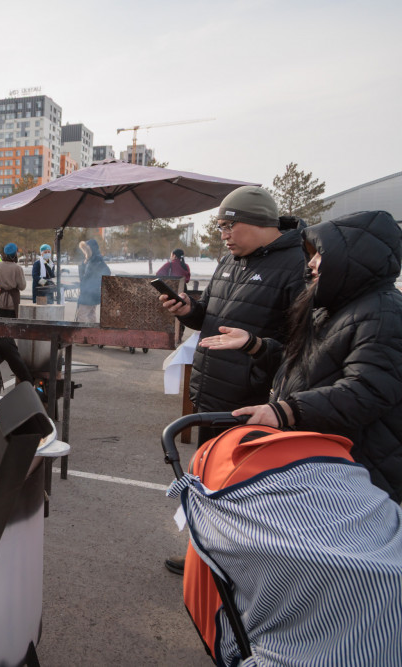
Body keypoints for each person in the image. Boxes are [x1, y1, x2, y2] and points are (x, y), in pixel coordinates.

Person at [198, 210, 402, 502]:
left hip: (357, 468)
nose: (312, 263)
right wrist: (256, 345)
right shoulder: (340, 306)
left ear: (354, 258)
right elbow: (310, 367)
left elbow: (368, 391)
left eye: (320, 254)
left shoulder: (385, 313)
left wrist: (288, 410)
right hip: (324, 458)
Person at [158, 185, 306, 574]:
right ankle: (202, 553)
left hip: (252, 400)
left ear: (257, 222)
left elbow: (300, 345)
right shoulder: (229, 261)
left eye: (228, 225)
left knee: (245, 487)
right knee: (207, 477)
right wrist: (188, 310)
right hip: (211, 390)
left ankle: (236, 565)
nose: (222, 233)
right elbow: (210, 317)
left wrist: (256, 348)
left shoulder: (296, 266)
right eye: (220, 226)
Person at [75, 239, 111, 323]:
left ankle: (84, 333)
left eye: (86, 250)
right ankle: (92, 333)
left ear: (91, 249)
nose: (85, 252)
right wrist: (83, 265)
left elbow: (107, 272)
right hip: (91, 293)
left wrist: (95, 282)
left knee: (82, 314)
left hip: (89, 293)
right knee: (91, 314)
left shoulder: (96, 261)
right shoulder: (92, 259)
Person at [0, 242, 25, 318]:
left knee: (0, 324)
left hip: (1, 299)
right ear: (15, 254)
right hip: (13, 301)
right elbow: (22, 286)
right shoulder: (17, 268)